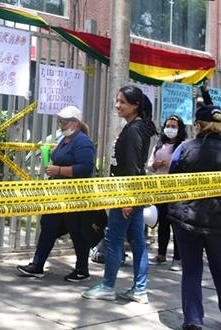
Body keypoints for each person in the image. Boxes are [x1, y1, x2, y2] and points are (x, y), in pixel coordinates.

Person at [168, 105, 221, 330]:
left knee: (191, 270)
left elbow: (172, 178)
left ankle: (193, 321)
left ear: (198, 125)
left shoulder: (185, 148)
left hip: (187, 217)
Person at [83, 85, 155, 303]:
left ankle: (107, 286)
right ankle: (140, 290)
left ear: (135, 105)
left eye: (123, 102)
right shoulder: (137, 126)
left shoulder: (134, 130)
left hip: (126, 193)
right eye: (117, 100)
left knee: (113, 239)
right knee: (137, 241)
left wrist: (127, 199)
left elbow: (133, 167)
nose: (117, 105)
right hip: (132, 193)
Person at [16, 106, 98, 282]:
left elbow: (85, 168)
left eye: (65, 121)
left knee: (77, 232)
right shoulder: (65, 139)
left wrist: (58, 169)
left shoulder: (82, 141)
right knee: (48, 226)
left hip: (75, 196)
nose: (61, 124)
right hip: (58, 194)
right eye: (60, 121)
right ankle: (37, 265)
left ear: (75, 123)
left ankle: (82, 270)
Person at [147, 115, 187, 271]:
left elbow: (185, 165)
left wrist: (172, 164)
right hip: (160, 189)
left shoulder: (183, 146)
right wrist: (155, 165)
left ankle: (178, 258)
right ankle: (161, 254)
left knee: (176, 224)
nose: (170, 129)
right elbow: (150, 165)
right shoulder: (159, 145)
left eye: (174, 126)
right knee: (162, 223)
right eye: (168, 125)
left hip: (176, 190)